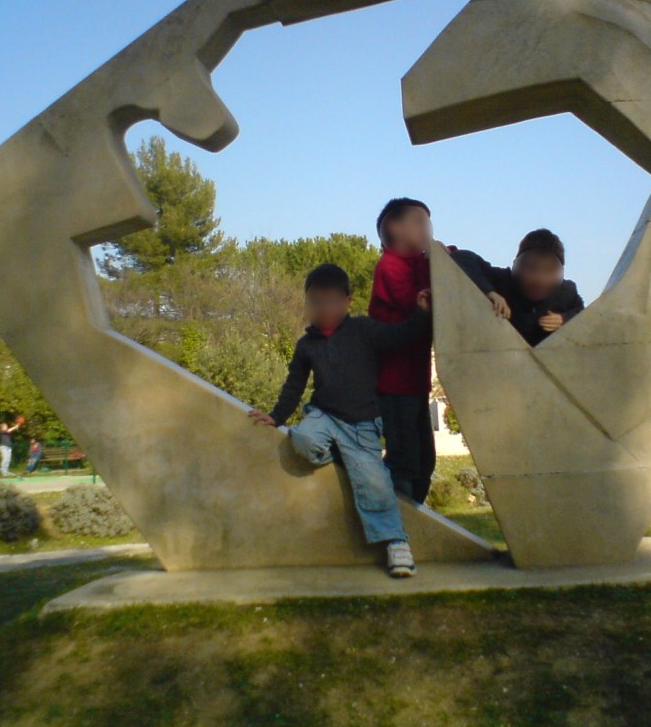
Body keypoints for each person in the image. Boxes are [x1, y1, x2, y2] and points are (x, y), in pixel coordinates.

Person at [248, 263, 431, 578]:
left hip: (361, 425)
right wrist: (276, 417)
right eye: (315, 302)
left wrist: (420, 312)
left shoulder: (363, 329)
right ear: (307, 303)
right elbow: (294, 386)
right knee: (301, 439)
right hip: (323, 416)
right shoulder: (306, 345)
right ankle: (340, 454)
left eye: (332, 301)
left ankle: (396, 543)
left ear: (347, 301)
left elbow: (400, 335)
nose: (324, 309)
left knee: (375, 485)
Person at [368, 197, 436, 503]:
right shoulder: (390, 266)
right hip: (394, 388)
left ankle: (414, 517)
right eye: (420, 221)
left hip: (416, 385)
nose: (428, 229)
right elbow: (416, 299)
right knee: (404, 460)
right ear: (394, 227)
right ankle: (395, 520)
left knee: (425, 461)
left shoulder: (421, 262)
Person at [452, 228, 585, 347]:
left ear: (562, 271)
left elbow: (583, 314)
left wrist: (564, 319)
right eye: (531, 268)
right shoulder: (503, 281)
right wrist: (490, 292)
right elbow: (462, 257)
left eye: (549, 270)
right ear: (516, 265)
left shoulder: (567, 293)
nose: (540, 279)